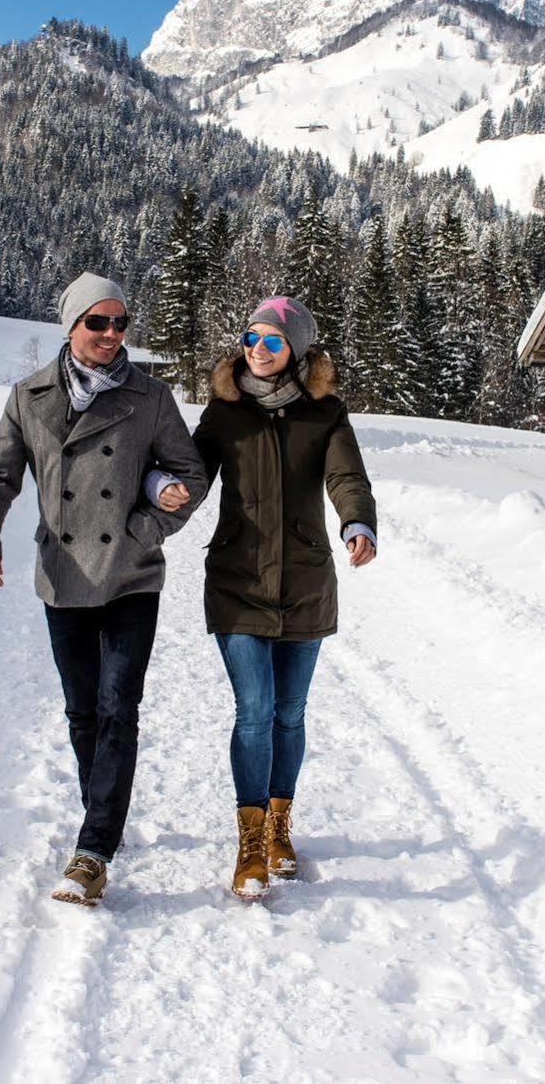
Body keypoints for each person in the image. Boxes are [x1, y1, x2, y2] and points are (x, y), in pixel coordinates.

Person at [0, 272, 208, 907]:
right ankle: (101, 811)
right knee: (82, 712)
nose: (110, 334)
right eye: (97, 322)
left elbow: (189, 471)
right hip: (63, 575)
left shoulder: (150, 397)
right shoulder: (29, 396)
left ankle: (95, 846)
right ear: (70, 326)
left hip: (130, 574)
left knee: (117, 707)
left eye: (120, 323)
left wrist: (147, 528)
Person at [151, 296, 376, 900]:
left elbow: (347, 477)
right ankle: (249, 842)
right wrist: (166, 496)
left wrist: (358, 522)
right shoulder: (226, 415)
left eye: (273, 341)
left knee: (289, 713)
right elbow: (193, 475)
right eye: (252, 337)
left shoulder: (324, 413)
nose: (257, 348)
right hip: (238, 582)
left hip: (305, 582)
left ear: (296, 349)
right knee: (254, 711)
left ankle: (280, 825)